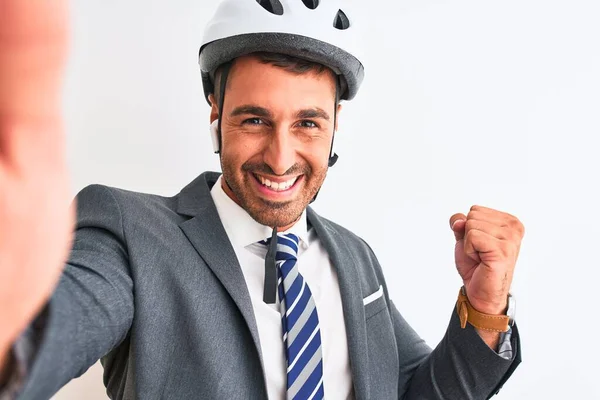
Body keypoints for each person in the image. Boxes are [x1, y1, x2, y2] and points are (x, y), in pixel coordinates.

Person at [0, 0, 524, 399]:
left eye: (307, 124)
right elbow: (47, 335)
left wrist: (484, 308)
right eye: (254, 119)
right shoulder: (129, 231)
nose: (280, 158)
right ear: (215, 113)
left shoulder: (356, 258)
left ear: (335, 127)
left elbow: (412, 391)